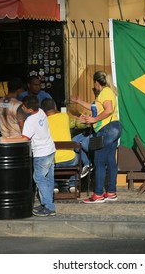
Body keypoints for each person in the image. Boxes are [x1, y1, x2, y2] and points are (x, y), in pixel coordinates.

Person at [71, 71, 122, 204]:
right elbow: (95, 107)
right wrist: (79, 101)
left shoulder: (105, 92)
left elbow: (108, 110)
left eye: (94, 84)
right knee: (110, 160)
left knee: (99, 161)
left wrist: (94, 119)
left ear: (96, 83)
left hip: (107, 129)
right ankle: (111, 192)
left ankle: (98, 194)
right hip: (114, 128)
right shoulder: (107, 93)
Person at [1, 95, 56, 217]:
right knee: (48, 178)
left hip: (41, 153)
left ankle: (49, 207)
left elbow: (24, 138)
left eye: (23, 107)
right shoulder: (41, 112)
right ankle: (46, 203)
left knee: (39, 179)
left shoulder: (30, 121)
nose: (22, 109)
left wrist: (6, 140)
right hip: (50, 149)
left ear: (28, 109)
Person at [41, 98, 86, 193]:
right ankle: (73, 185)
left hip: (52, 161)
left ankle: (54, 186)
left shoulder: (42, 122)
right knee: (78, 157)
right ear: (55, 107)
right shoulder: (64, 116)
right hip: (69, 161)